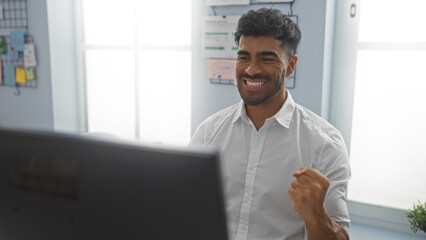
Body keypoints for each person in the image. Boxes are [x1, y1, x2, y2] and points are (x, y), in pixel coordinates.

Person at [190, 8, 351, 240]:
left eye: (267, 59)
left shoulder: (325, 143)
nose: (251, 69)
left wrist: (317, 216)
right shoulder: (208, 132)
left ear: (291, 66)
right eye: (244, 57)